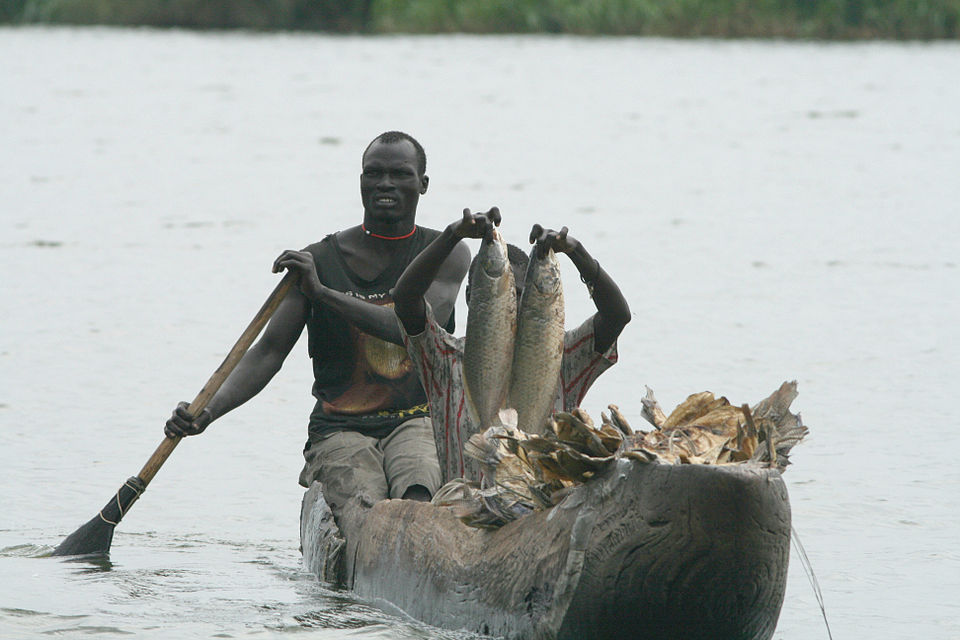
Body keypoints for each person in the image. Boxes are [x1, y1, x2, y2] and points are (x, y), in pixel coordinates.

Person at [164, 131, 471, 522]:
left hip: (418, 419)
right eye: (374, 174)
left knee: (418, 492)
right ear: (360, 181)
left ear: (422, 185)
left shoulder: (444, 254)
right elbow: (268, 353)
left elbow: (410, 329)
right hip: (340, 427)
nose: (386, 184)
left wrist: (323, 294)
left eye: (400, 174)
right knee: (365, 508)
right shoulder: (317, 260)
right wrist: (206, 411)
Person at [392, 207, 632, 482]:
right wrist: (453, 235)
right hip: (462, 510)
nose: (514, 305)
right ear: (472, 296)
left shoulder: (560, 356)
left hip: (539, 508)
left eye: (521, 296)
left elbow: (617, 316)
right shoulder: (444, 359)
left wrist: (574, 251)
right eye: (507, 294)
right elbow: (405, 299)